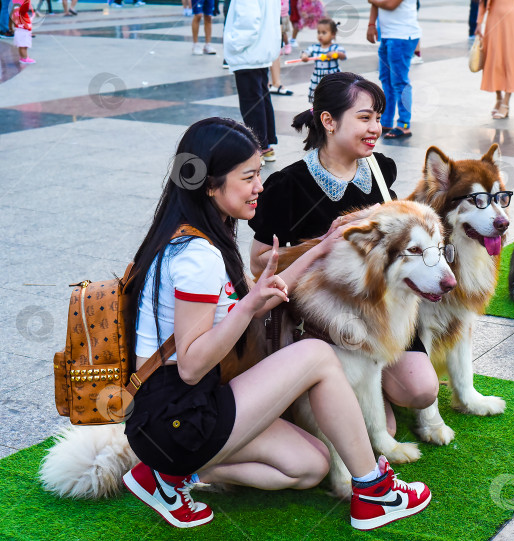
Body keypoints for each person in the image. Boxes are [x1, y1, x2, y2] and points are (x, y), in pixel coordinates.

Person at [120, 117, 432, 530]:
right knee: (319, 354)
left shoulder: (195, 236)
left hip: (176, 412)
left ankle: (169, 476)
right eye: (249, 177)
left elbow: (264, 292)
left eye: (259, 174)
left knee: (310, 467)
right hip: (178, 415)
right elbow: (193, 365)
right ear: (210, 184)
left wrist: (320, 248)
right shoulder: (198, 256)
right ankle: (374, 492)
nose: (260, 187)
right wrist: (248, 307)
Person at [248, 72, 440, 439]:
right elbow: (259, 260)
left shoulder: (381, 171)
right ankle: (348, 385)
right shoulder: (287, 185)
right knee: (378, 431)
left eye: (378, 118)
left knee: (420, 390)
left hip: (382, 311)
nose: (375, 128)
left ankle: (373, 378)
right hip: (326, 319)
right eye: (365, 118)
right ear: (329, 121)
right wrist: (323, 248)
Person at [224, 0, 280, 162]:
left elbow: (247, 20)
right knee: (261, 98)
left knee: (251, 102)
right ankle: (266, 145)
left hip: (248, 52)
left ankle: (258, 148)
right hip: (261, 50)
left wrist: (234, 44)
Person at [366, 0, 421, 139]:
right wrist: (371, 24)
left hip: (402, 36)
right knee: (386, 79)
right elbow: (377, 3)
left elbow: (391, 4)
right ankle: (386, 121)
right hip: (387, 35)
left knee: (400, 82)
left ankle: (404, 124)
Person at [301, 18, 346, 103]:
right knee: (317, 96)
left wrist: (336, 54)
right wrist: (304, 56)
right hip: (318, 77)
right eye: (318, 32)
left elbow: (343, 55)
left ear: (333, 34)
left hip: (332, 77)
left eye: (324, 33)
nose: (320, 35)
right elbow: (306, 52)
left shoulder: (335, 48)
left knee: (332, 96)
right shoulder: (315, 47)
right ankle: (317, 111)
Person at [11, 0, 34, 64]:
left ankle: (22, 57)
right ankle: (25, 58)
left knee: (21, 45)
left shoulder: (15, 11)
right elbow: (25, 7)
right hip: (23, 31)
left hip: (20, 30)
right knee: (24, 45)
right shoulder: (21, 11)